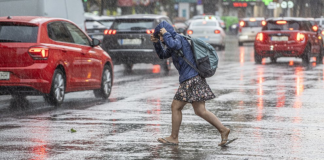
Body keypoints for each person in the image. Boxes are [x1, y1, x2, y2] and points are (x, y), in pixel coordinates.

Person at [150, 21, 236, 147]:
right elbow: (163, 55)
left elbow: (175, 45)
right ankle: (223, 129)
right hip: (194, 78)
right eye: (160, 36)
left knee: (176, 106)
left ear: (167, 32)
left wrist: (166, 35)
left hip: (190, 79)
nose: (162, 38)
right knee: (200, 110)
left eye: (161, 35)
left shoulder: (178, 38)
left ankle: (174, 137)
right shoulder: (171, 41)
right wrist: (156, 43)